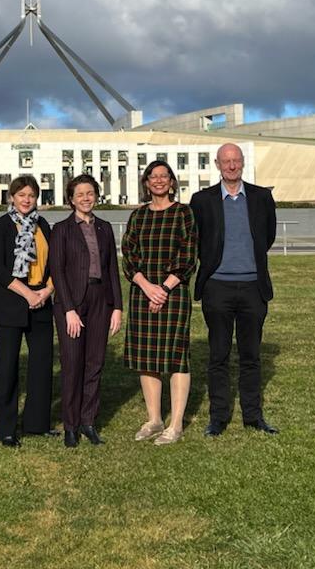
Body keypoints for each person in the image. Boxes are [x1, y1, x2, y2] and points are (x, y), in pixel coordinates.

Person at [190, 143, 279, 436]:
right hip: (217, 286)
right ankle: (219, 417)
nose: (231, 166)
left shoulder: (261, 197)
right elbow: (197, 239)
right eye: (226, 161)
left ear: (242, 163)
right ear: (217, 164)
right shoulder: (201, 200)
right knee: (218, 356)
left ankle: (253, 416)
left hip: (253, 287)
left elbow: (267, 237)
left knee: (251, 356)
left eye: (236, 161)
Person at [121, 161, 197, 445]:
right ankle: (154, 419)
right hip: (142, 291)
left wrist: (163, 289)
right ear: (146, 183)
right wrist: (146, 286)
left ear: (172, 182)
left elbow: (188, 256)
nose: (159, 181)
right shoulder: (138, 216)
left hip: (173, 292)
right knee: (147, 357)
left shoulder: (183, 213)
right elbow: (129, 254)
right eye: (153, 177)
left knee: (177, 356)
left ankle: (175, 424)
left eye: (164, 176)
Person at [49, 173, 123, 448]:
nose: (85, 198)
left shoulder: (104, 228)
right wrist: (69, 309)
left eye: (90, 193)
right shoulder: (62, 229)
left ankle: (88, 421)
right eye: (80, 194)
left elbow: (112, 270)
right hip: (72, 303)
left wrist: (117, 307)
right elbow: (57, 271)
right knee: (72, 364)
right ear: (71, 199)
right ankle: (70, 425)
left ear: (96, 195)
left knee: (94, 363)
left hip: (100, 301)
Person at [0, 175, 57, 447]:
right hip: (11, 301)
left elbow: (56, 263)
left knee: (41, 365)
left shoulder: (43, 225)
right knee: (7, 367)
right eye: (21, 194)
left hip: (41, 299)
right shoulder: (0, 226)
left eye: (32, 195)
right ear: (11, 197)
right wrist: (26, 293)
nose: (27, 200)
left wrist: (46, 291)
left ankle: (38, 424)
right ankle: (6, 429)